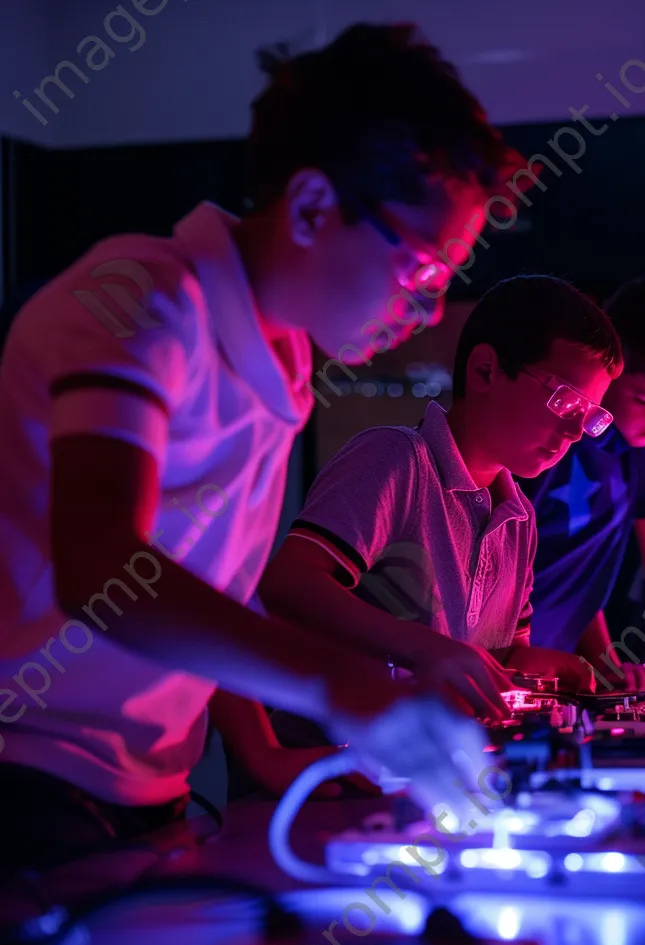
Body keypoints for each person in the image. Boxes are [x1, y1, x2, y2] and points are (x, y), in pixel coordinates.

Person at [0, 24, 526, 870]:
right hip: (29, 780)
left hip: (150, 792)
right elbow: (101, 567)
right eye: (421, 271)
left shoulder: (281, 363)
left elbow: (217, 590)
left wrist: (283, 748)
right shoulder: (138, 297)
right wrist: (344, 688)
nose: (428, 313)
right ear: (314, 205)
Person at [256, 275, 622, 729]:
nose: (572, 433)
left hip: (428, 764)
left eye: (588, 418)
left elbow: (498, 655)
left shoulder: (519, 519)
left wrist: (562, 667)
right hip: (333, 758)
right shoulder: (397, 460)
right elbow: (287, 583)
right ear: (485, 370)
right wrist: (423, 647)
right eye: (564, 401)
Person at [519, 276, 645, 689]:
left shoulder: (633, 453)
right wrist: (602, 662)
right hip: (504, 653)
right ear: (610, 371)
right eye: (644, 399)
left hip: (551, 660)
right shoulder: (556, 439)